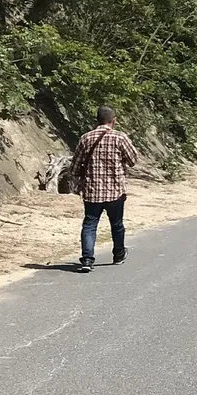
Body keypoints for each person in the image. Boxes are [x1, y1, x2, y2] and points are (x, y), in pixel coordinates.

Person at [71, 105, 139, 273]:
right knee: (116, 224)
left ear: (97, 120)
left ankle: (87, 259)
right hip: (115, 190)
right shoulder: (120, 138)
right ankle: (118, 254)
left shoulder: (85, 138)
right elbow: (133, 160)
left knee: (89, 224)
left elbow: (74, 167)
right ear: (113, 120)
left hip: (92, 191)